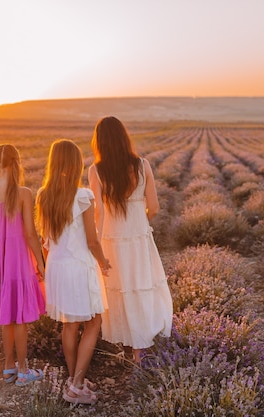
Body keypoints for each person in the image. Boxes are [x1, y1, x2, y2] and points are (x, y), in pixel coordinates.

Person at [88, 116, 173, 364]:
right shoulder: (142, 165)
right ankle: (139, 351)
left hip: (111, 239)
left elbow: (98, 213)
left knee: (118, 290)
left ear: (100, 141)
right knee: (141, 286)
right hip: (138, 236)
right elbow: (155, 207)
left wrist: (96, 243)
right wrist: (141, 219)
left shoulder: (96, 170)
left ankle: (127, 345)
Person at [36, 139, 111, 405]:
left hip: (57, 265)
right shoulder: (82, 196)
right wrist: (103, 262)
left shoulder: (44, 195)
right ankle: (77, 385)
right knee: (94, 322)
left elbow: (46, 240)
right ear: (75, 163)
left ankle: (73, 379)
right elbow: (92, 240)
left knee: (70, 324)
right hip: (79, 265)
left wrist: (47, 268)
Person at [0, 144, 46, 386]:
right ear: (16, 164)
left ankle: (7, 367)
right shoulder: (23, 193)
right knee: (20, 315)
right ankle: (23, 370)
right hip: (18, 260)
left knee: (6, 316)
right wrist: (41, 263)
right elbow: (31, 234)